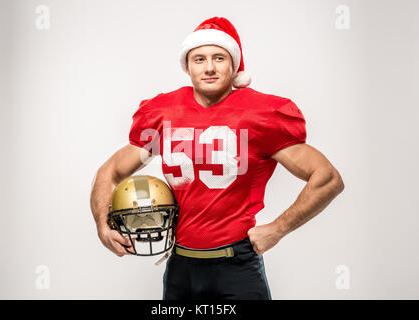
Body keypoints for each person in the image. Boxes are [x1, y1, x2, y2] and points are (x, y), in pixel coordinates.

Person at [90, 16, 344, 300]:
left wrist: (277, 229)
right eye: (199, 59)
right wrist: (102, 224)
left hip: (237, 266)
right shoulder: (164, 113)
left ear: (234, 65)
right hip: (180, 266)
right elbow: (109, 171)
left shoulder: (261, 115)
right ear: (187, 67)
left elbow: (327, 178)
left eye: (219, 58)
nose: (209, 67)